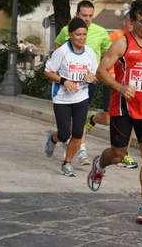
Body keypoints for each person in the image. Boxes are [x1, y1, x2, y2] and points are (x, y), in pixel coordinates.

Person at [87, 0, 142, 224]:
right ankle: (100, 164)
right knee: (118, 154)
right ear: (132, 22)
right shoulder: (122, 43)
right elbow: (101, 71)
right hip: (123, 108)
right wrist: (121, 88)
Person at [55, 0, 112, 165]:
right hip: (68, 83)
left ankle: (80, 149)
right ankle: (76, 146)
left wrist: (99, 72)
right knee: (74, 116)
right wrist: (63, 69)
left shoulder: (101, 32)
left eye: (90, 16)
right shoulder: (68, 30)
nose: (87, 19)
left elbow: (109, 53)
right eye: (84, 15)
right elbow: (58, 44)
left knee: (80, 113)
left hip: (89, 81)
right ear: (77, 15)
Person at [43, 17, 98, 177]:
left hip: (81, 97)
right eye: (78, 34)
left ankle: (67, 163)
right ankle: (52, 138)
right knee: (64, 135)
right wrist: (64, 81)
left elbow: (95, 75)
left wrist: (92, 78)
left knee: (78, 134)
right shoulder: (62, 52)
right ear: (70, 35)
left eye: (84, 34)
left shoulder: (89, 53)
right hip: (62, 99)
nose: (81, 38)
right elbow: (47, 71)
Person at [84, 11, 138, 169]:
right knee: (108, 119)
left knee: (131, 119)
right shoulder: (115, 38)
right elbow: (105, 61)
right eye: (131, 24)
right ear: (125, 23)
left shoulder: (139, 41)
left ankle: (124, 154)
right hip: (113, 83)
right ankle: (93, 119)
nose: (134, 27)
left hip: (131, 87)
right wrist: (113, 81)